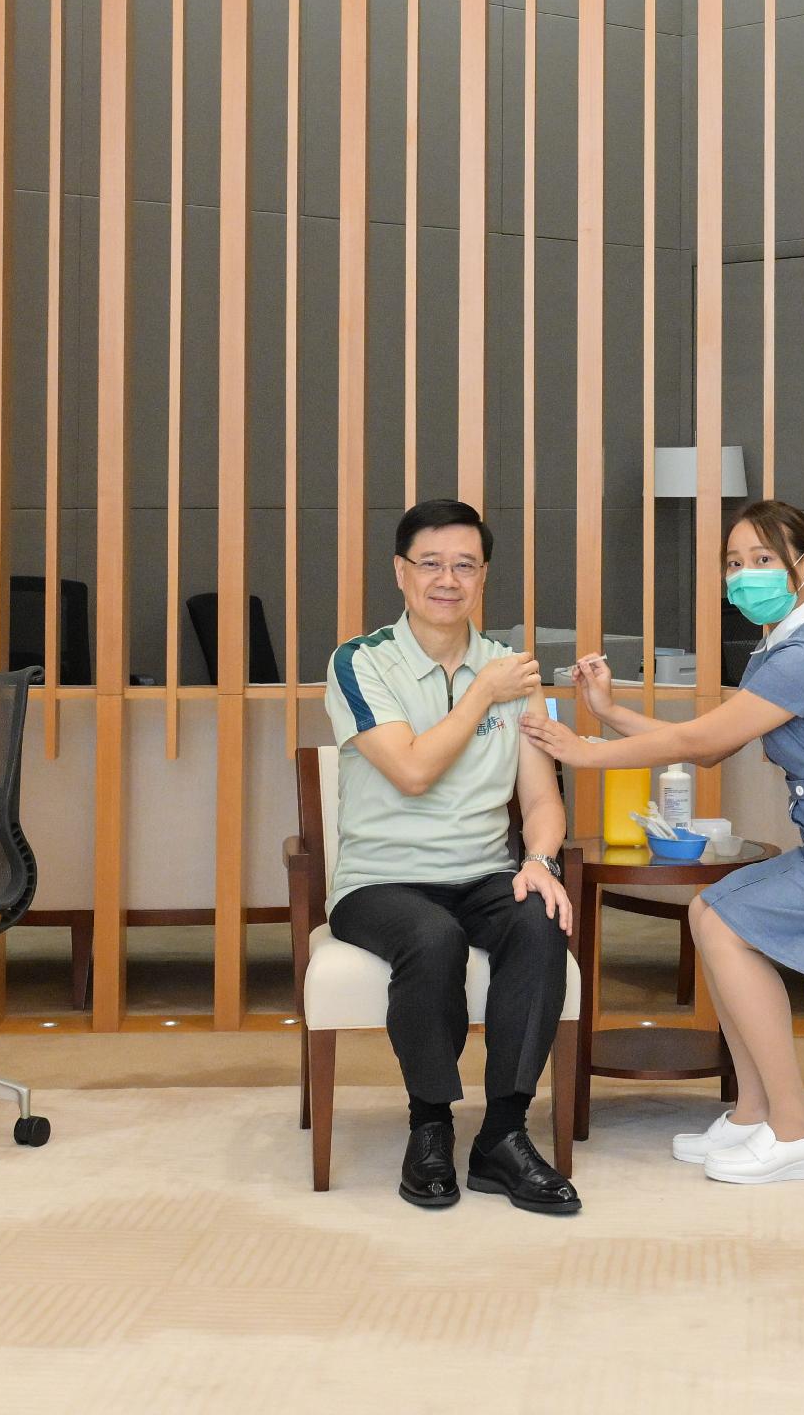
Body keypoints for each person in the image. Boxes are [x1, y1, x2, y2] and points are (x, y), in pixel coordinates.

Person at [524, 498, 804, 1189]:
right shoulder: (780, 644)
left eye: (762, 560)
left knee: (725, 922)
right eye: (734, 563)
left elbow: (701, 741)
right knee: (710, 913)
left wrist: (584, 752)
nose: (744, 574)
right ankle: (753, 1111)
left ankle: (797, 1128)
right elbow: (707, 753)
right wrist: (607, 714)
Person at [314, 498, 581, 1216]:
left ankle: (503, 1134)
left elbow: (541, 798)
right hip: (381, 880)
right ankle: (430, 1121)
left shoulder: (511, 671)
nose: (447, 579)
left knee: (538, 922)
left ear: (483, 575)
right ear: (401, 574)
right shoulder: (360, 662)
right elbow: (410, 771)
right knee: (432, 939)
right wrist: (480, 698)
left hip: (484, 872)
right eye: (430, 564)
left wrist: (540, 861)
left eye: (464, 565)